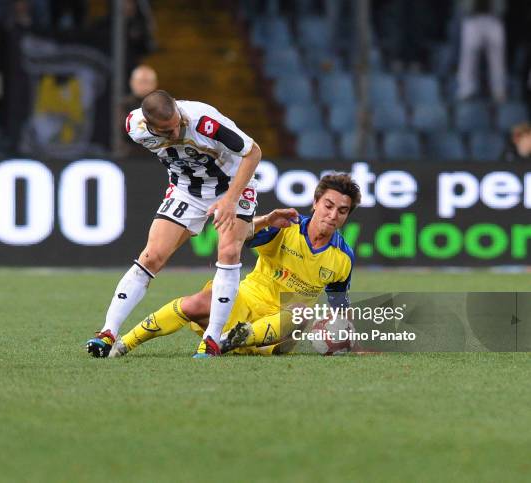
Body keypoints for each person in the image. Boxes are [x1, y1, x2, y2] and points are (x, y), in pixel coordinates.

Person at [86, 90, 262, 358]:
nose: (177, 130)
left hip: (231, 187)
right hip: (186, 191)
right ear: (151, 127)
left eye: (178, 123)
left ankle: (212, 339)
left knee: (228, 252)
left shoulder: (204, 122)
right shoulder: (134, 127)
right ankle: (108, 333)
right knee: (151, 256)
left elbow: (253, 152)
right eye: (168, 130)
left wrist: (230, 200)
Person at [107, 173, 361, 358]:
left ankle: (224, 341)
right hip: (247, 300)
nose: (332, 214)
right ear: (316, 202)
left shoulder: (343, 257)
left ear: (347, 215)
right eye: (328, 205)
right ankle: (124, 344)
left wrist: (344, 335)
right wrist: (266, 220)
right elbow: (241, 235)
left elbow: (339, 304)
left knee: (299, 312)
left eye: (342, 210)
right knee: (196, 303)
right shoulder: (286, 225)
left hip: (279, 331)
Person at [456, 0, 507, 102]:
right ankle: (466, 89)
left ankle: (498, 90)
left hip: (494, 17)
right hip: (472, 16)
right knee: (468, 56)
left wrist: (500, 9)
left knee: (497, 58)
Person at [119, 65, 158, 155]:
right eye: (140, 82)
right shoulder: (123, 105)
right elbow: (121, 132)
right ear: (132, 83)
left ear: (154, 83)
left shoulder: (162, 105)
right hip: (128, 154)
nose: (143, 86)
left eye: (147, 82)